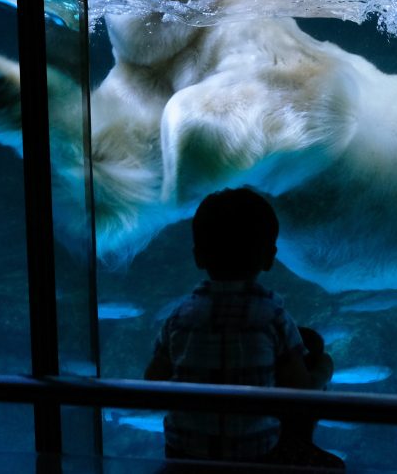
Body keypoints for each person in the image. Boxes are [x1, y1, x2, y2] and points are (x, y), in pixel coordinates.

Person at [145, 187, 343, 469]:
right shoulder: (272, 316)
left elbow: (153, 383)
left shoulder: (179, 317)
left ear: (198, 256)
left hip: (183, 458)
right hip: (257, 458)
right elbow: (299, 392)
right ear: (270, 257)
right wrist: (324, 368)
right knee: (332, 466)